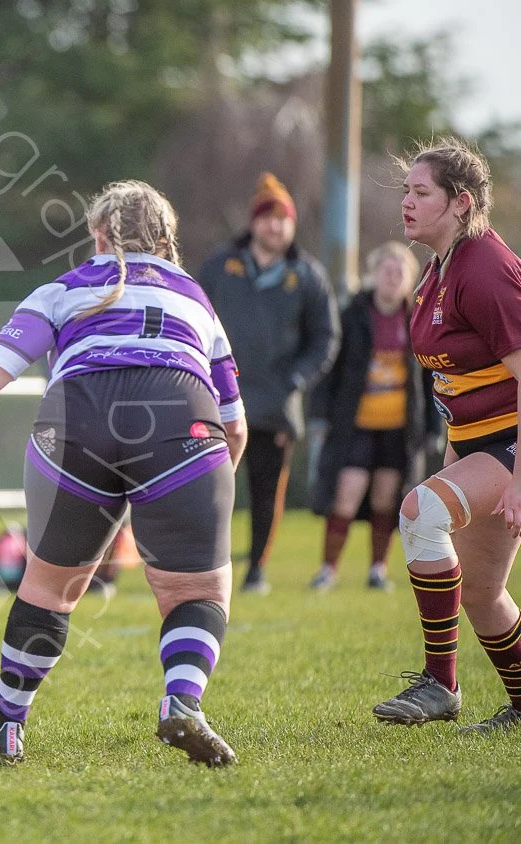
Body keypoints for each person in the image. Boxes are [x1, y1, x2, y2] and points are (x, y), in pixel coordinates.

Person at [0, 180, 247, 767]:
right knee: (195, 590)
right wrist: (201, 487)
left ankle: (7, 726)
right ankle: (182, 701)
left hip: (77, 417)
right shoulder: (197, 299)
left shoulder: (64, 288)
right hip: (179, 418)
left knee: (49, 586)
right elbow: (236, 423)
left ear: (99, 236)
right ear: (166, 240)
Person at [371, 138, 521, 734]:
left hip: (511, 443)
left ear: (460, 203)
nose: (406, 202)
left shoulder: (484, 267)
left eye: (420, 192)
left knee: (417, 510)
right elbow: (459, 384)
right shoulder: (440, 266)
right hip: (482, 443)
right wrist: (454, 456)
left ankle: (441, 683)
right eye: (405, 191)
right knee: (483, 592)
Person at [198, 172, 338, 593]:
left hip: (276, 404)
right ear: (253, 222)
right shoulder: (220, 266)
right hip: (215, 399)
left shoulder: (308, 275)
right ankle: (206, 564)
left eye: (282, 218)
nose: (274, 226)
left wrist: (296, 378)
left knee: (264, 493)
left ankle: (256, 569)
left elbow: (326, 338)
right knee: (209, 488)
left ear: (292, 225)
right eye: (266, 217)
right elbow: (193, 318)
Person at [308, 242, 438, 591]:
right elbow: (329, 370)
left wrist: (433, 426)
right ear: (374, 274)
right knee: (345, 495)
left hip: (399, 430)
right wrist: (319, 415)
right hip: (356, 426)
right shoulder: (351, 315)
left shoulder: (417, 320)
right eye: (387, 270)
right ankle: (327, 570)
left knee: (386, 499)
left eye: (400, 273)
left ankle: (377, 570)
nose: (392, 278)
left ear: (409, 279)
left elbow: (430, 379)